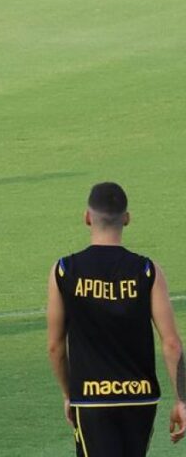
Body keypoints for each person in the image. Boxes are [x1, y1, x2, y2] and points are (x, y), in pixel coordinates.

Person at [47, 182, 186, 455]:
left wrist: (68, 393)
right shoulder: (147, 271)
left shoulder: (64, 271)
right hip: (140, 397)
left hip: (91, 399)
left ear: (87, 217)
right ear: (127, 218)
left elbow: (55, 347)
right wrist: (182, 399)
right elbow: (171, 344)